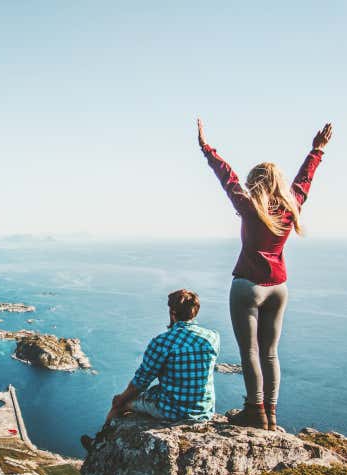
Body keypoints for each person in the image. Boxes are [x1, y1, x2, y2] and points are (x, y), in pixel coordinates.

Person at [197, 119, 333, 430]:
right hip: (279, 287)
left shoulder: (248, 206)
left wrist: (207, 148)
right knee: (271, 353)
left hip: (248, 286)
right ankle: (271, 414)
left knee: (250, 352)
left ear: (255, 182)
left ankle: (254, 411)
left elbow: (226, 176)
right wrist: (317, 149)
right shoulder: (291, 207)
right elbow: (304, 180)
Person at [81, 290, 219, 451]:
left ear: (172, 312)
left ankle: (98, 445)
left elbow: (141, 381)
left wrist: (121, 399)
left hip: (173, 410)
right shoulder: (213, 337)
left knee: (119, 404)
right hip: (203, 409)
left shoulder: (162, 342)